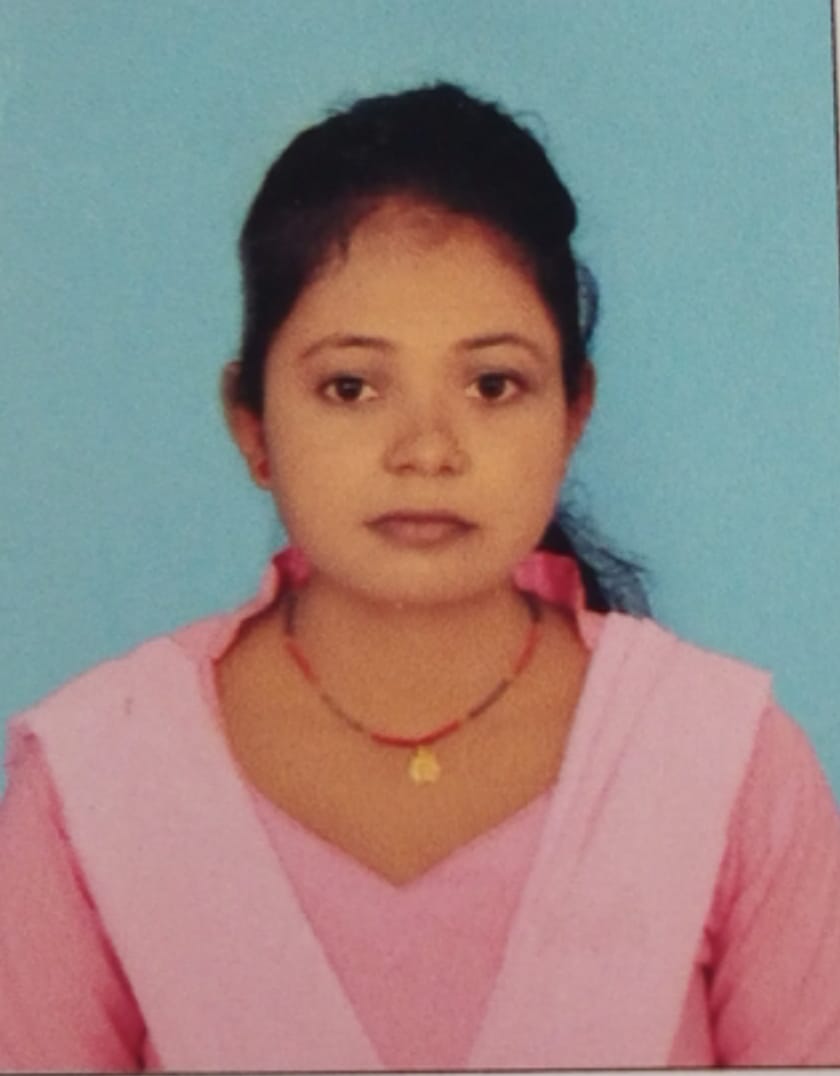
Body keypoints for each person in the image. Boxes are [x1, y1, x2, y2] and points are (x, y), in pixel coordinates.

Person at [1, 82, 839, 1072]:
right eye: (352, 386)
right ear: (253, 425)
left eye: (492, 384)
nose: (428, 450)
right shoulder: (100, 774)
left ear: (572, 413)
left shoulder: (724, 761)